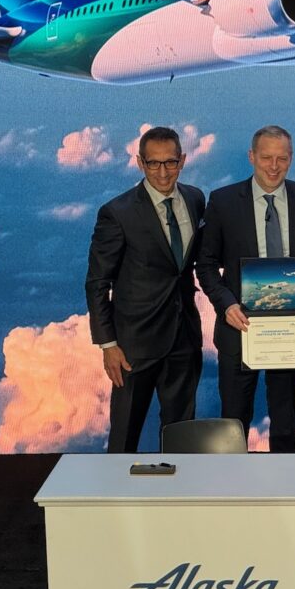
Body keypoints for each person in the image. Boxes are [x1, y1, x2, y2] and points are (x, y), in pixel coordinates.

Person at [197, 126, 295, 452]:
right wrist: (226, 304)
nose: (274, 166)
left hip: (290, 330)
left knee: (285, 427)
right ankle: (232, 496)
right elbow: (205, 265)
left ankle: (282, 496)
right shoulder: (224, 201)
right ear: (251, 157)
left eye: (282, 159)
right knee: (233, 426)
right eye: (266, 158)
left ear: (291, 159)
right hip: (238, 329)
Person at [85, 126, 205, 453]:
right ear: (140, 163)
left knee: (182, 436)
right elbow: (98, 282)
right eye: (154, 164)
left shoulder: (195, 199)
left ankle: (179, 500)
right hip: (133, 346)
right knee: (125, 435)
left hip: (184, 339)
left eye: (170, 163)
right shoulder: (117, 212)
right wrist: (108, 343)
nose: (163, 172)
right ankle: (115, 501)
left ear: (182, 160)